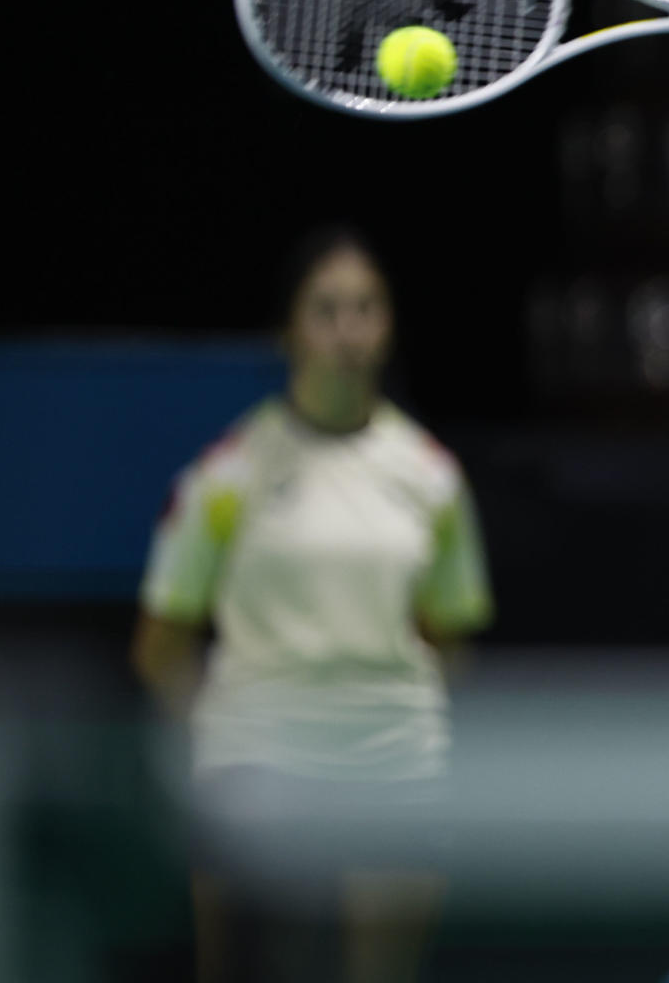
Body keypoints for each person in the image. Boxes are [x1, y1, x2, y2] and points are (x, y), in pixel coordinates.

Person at [131, 227, 493, 983]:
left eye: (365, 309)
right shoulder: (227, 474)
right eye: (326, 310)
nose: (347, 331)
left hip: (392, 765)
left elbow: (449, 640)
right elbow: (160, 643)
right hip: (254, 765)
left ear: (388, 326)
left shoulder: (430, 477)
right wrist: (216, 739)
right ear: (289, 329)